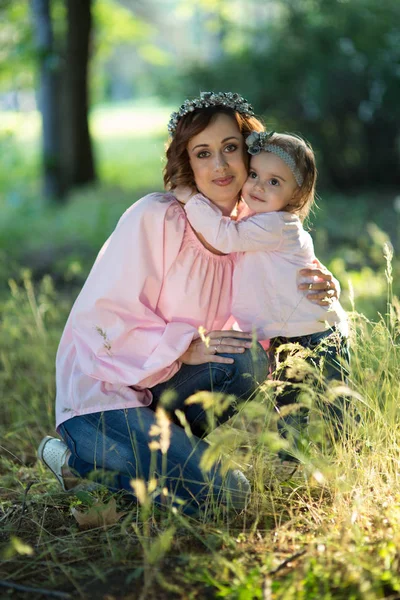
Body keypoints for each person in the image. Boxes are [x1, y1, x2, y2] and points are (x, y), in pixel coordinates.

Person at [37, 93, 339, 513]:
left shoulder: (244, 232)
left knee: (247, 358)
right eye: (203, 153)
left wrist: (323, 284)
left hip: (165, 389)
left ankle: (158, 456)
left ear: (249, 155)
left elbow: (291, 274)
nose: (219, 165)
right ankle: (80, 458)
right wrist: (187, 346)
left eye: (230, 149)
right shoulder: (155, 217)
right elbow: (101, 322)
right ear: (188, 163)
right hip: (105, 396)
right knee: (227, 494)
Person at [178, 130, 350, 461]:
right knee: (289, 414)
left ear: (295, 193)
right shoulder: (258, 219)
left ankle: (342, 469)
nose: (257, 186)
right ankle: (294, 473)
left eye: (274, 182)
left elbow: (224, 238)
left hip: (318, 334)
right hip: (286, 336)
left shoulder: (276, 225)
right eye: (254, 174)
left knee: (335, 411)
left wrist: (191, 198)